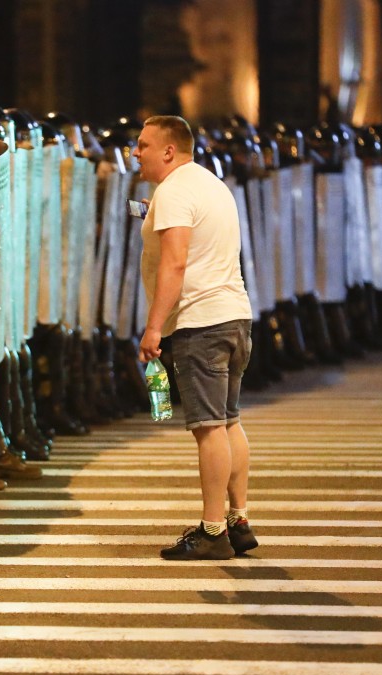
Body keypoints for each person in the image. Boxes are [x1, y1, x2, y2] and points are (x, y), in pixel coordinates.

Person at [133, 115, 257, 561]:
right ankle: (238, 519)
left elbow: (176, 264)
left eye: (143, 145)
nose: (135, 152)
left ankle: (212, 530)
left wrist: (153, 327)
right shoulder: (210, 183)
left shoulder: (174, 191)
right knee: (229, 421)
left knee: (208, 430)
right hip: (235, 317)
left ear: (169, 150)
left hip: (199, 323)